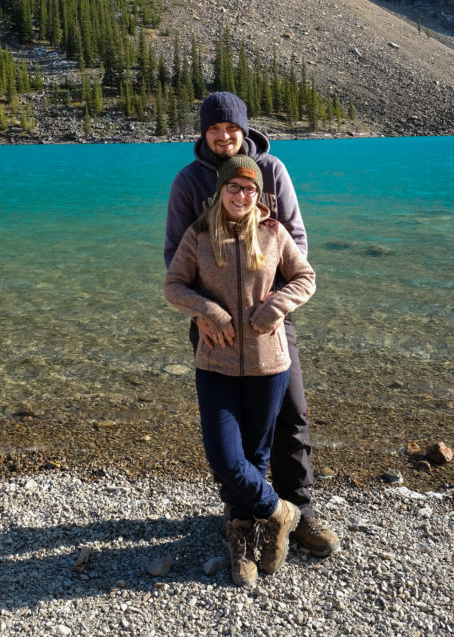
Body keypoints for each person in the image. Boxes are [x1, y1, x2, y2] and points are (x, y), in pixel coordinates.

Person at [164, 91, 340, 558]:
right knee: (232, 431)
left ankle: (296, 511)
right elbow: (174, 261)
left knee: (293, 416)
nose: (224, 136)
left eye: (231, 129)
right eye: (215, 130)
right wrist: (203, 312)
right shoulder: (188, 182)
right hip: (213, 327)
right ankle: (243, 514)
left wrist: (278, 305)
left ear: (245, 130)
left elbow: (295, 243)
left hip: (271, 323)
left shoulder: (274, 170)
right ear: (204, 134)